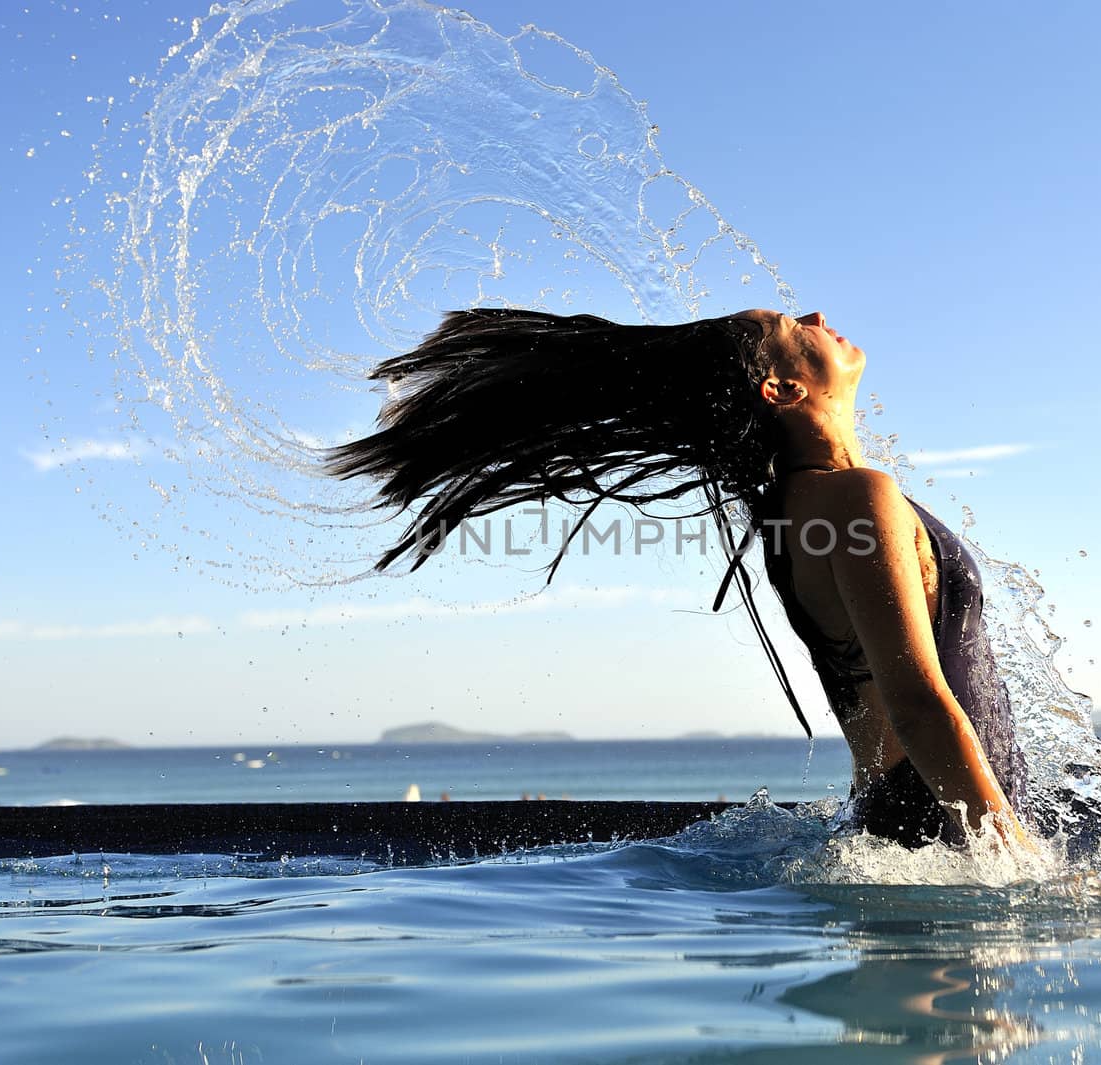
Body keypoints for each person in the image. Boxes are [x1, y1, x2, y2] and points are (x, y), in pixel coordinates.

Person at [325, 307, 1032, 851]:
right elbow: (913, 701)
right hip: (940, 823)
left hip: (910, 814)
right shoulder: (855, 499)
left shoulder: (804, 508)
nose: (817, 317)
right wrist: (1025, 860)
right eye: (793, 327)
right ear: (782, 388)